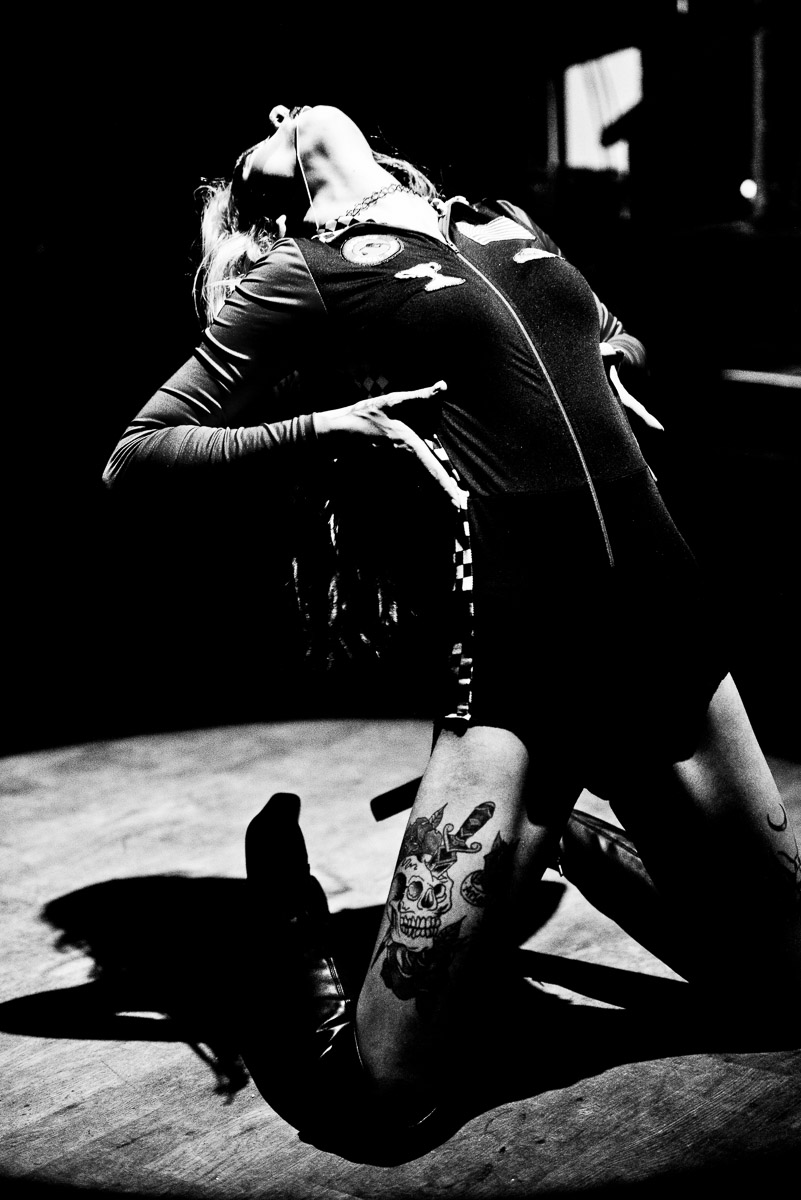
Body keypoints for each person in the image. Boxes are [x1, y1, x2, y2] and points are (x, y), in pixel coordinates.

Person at [104, 104, 801, 1156]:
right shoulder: (298, 274)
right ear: (266, 193)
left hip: (666, 613)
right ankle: (287, 908)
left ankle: (566, 831)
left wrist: (615, 357)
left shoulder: (496, 223)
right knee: (380, 1102)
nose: (285, 113)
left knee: (788, 991)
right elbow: (138, 452)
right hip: (528, 653)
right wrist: (327, 426)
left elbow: (612, 333)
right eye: (264, 133)